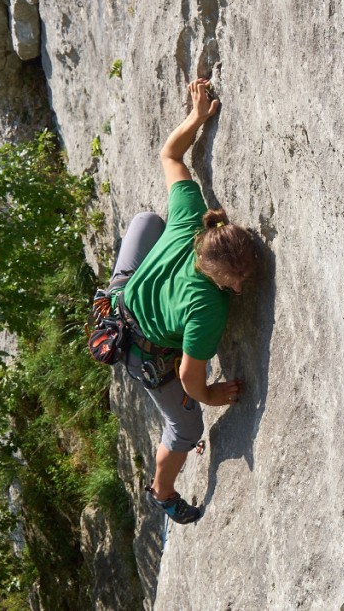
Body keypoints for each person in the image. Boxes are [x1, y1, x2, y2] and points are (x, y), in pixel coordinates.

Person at [106, 78, 259, 524]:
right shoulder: (208, 308)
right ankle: (162, 491)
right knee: (186, 427)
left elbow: (170, 155)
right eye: (238, 281)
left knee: (148, 220)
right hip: (139, 348)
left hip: (122, 294)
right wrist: (210, 397)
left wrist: (196, 117)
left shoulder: (193, 219)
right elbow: (191, 377)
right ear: (218, 280)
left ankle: (128, 287)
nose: (243, 288)